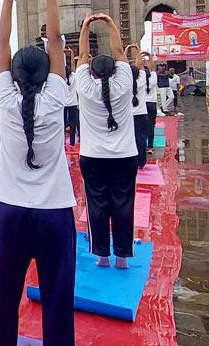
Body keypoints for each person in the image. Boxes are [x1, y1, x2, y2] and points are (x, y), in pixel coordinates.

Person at [0, 0, 79, 346]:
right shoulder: (57, 97)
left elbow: (2, 48)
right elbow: (58, 43)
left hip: (10, 213)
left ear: (11, 75)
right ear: (49, 75)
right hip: (53, 215)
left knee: (4, 299)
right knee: (58, 305)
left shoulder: (5, 98)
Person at [75, 13, 138, 268]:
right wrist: (110, 23)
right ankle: (122, 256)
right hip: (124, 155)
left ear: (90, 71)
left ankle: (101, 254)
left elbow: (80, 57)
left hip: (93, 156)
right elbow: (119, 50)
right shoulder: (124, 83)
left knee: (97, 203)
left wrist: (86, 25)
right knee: (124, 204)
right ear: (114, 70)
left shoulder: (85, 88)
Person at [126, 47, 151, 169]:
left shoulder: (125, 82)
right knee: (141, 139)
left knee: (130, 139)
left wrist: (125, 51)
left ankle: (132, 160)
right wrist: (137, 51)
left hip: (129, 115)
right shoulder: (142, 79)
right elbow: (140, 66)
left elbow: (122, 66)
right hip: (141, 113)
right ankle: (141, 161)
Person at [63, 51, 80, 147]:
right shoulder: (74, 77)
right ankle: (72, 142)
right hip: (73, 103)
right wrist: (71, 53)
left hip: (64, 103)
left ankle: (63, 142)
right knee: (73, 124)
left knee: (63, 123)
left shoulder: (62, 79)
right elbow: (73, 65)